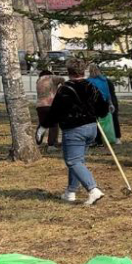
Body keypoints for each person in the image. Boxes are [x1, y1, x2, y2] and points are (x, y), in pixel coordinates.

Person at [41, 58, 109, 205]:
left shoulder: (65, 89)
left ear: (68, 71)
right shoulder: (91, 86)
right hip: (91, 128)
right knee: (78, 161)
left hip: (74, 129)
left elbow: (55, 111)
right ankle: (70, 192)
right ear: (83, 71)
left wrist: (44, 125)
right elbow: (103, 108)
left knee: (73, 161)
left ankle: (93, 190)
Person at [87, 63, 117, 146]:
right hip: (104, 103)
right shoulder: (104, 80)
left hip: (94, 104)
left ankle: (95, 140)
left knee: (93, 122)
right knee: (102, 123)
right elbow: (108, 93)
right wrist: (110, 104)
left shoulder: (89, 81)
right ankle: (101, 140)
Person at [35, 69, 64, 149]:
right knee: (54, 125)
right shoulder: (52, 77)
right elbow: (62, 79)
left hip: (40, 106)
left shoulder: (38, 80)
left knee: (43, 123)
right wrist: (62, 87)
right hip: (51, 104)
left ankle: (38, 142)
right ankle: (51, 144)